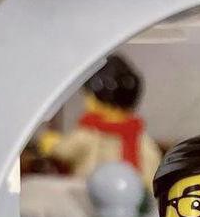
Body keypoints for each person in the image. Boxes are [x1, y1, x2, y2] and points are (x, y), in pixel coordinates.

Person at [39, 54, 161, 190]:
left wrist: (52, 145)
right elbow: (152, 162)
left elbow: (65, 150)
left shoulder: (90, 134)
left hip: (92, 192)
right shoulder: (140, 139)